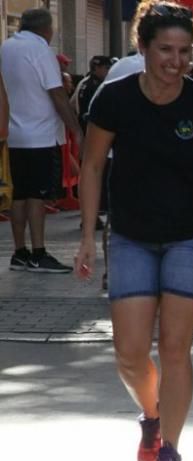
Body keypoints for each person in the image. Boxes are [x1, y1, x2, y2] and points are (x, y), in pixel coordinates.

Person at [73, 0, 193, 461]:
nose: (176, 60)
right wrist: (86, 238)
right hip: (130, 237)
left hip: (192, 238)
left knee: (174, 348)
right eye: (165, 49)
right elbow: (92, 167)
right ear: (142, 48)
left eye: (184, 50)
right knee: (128, 353)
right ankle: (152, 416)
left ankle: (171, 451)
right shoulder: (114, 99)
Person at [1, 7, 83, 273]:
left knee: (20, 194)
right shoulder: (41, 50)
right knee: (37, 195)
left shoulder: (6, 47)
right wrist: (77, 130)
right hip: (40, 134)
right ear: (47, 30)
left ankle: (19, 252)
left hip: (14, 134)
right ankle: (39, 252)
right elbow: (57, 93)